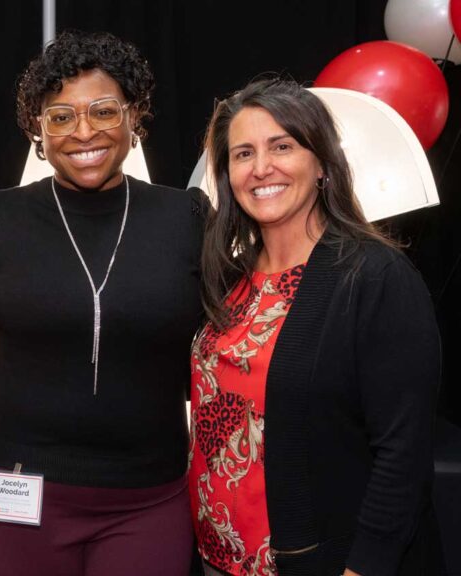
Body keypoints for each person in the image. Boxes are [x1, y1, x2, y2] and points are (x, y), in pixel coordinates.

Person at [0, 31, 205, 576]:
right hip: (13, 487)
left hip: (148, 496)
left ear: (135, 117)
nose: (83, 132)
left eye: (104, 110)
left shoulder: (187, 220)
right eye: (60, 116)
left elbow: (220, 352)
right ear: (39, 130)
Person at [189, 78, 442, 576]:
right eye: (243, 153)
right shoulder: (229, 278)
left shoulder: (375, 277)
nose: (261, 168)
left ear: (321, 162)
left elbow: (403, 453)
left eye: (282, 146)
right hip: (216, 559)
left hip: (318, 562)